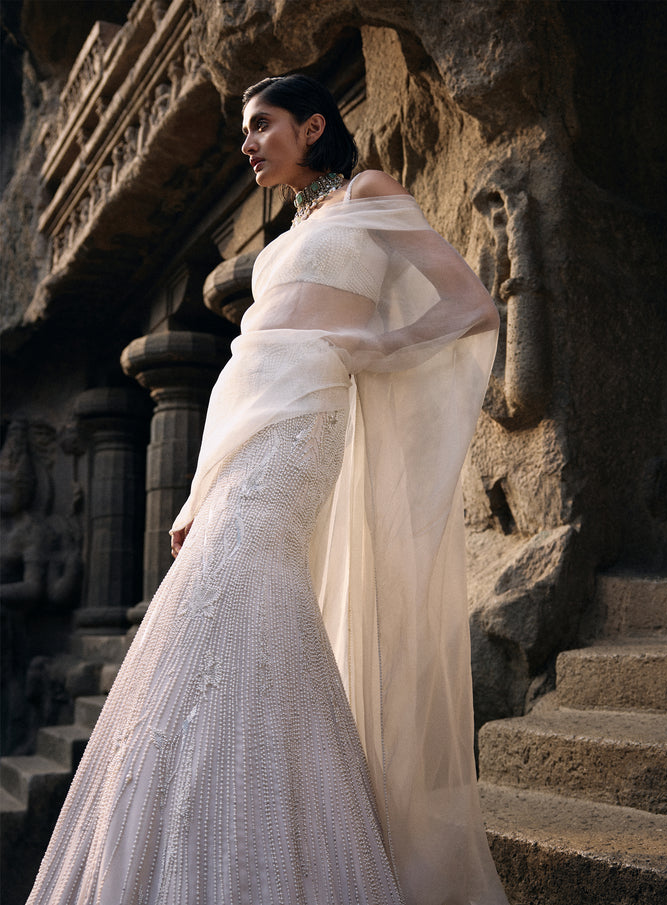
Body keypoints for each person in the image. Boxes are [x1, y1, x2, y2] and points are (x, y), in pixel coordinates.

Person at [27, 74, 509, 905]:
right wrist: (194, 491)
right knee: (216, 620)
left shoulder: (369, 192)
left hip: (300, 429)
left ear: (313, 125)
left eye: (262, 124)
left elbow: (470, 303)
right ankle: (200, 836)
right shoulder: (292, 227)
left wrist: (373, 346)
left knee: (247, 596)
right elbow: (247, 359)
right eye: (245, 129)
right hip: (240, 435)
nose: (247, 141)